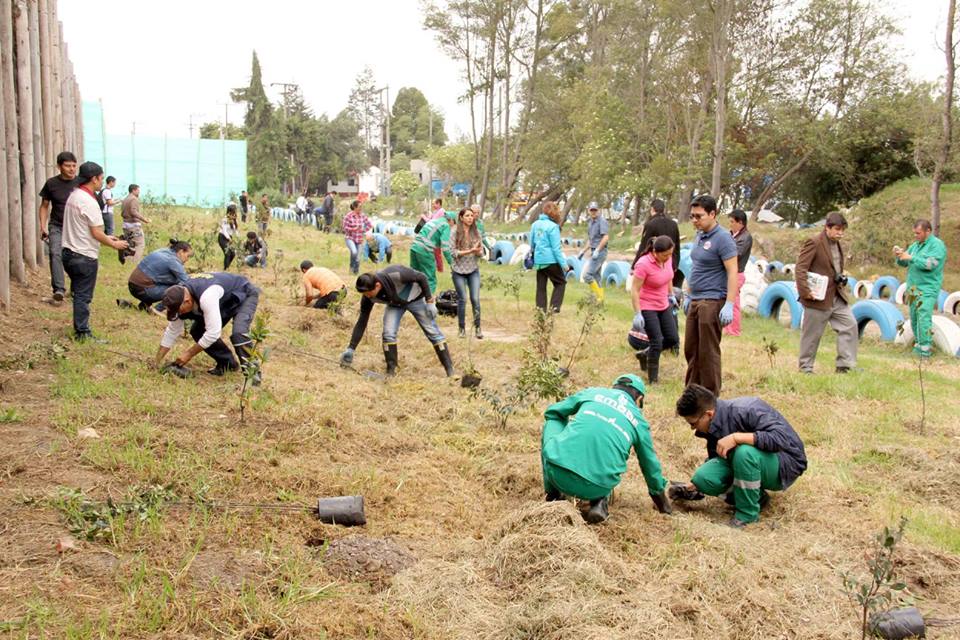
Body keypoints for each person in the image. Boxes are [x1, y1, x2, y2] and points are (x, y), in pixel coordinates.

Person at [670, 384, 807, 528]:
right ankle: (758, 498)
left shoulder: (747, 409)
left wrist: (737, 438)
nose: (693, 428)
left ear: (709, 414)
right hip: (753, 461)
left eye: (693, 423)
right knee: (703, 478)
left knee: (744, 453)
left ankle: (747, 515)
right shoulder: (712, 424)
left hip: (785, 462)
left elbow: (781, 439)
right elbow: (717, 459)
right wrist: (697, 486)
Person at [541, 374, 672, 524]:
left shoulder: (593, 392)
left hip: (557, 474)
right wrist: (663, 504)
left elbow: (553, 412)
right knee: (610, 450)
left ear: (614, 388)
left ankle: (552, 495)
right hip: (598, 487)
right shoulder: (639, 422)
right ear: (639, 399)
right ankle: (598, 501)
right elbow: (650, 465)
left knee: (553, 420)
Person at [339, 265, 455, 377]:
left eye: (368, 293)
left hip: (415, 299)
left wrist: (429, 301)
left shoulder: (396, 274)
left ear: (377, 285)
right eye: (364, 294)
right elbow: (362, 321)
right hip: (395, 305)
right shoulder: (367, 296)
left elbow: (421, 277)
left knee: (432, 332)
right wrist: (351, 348)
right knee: (388, 334)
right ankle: (391, 371)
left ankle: (449, 369)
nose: (367, 296)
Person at [60, 161, 129, 341]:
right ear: (94, 179)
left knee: (78, 294)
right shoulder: (89, 202)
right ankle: (82, 333)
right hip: (83, 256)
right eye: (101, 178)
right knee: (83, 296)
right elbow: (96, 233)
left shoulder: (74, 195)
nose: (102, 182)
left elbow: (85, 229)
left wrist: (109, 238)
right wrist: (115, 245)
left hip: (68, 252)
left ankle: (80, 328)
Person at [156, 272, 262, 382]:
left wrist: (188, 354)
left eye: (179, 311)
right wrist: (157, 361)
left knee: (239, 334)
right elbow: (172, 331)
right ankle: (228, 364)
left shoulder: (207, 297)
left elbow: (213, 333)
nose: (179, 314)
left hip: (243, 293)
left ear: (187, 301)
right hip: (224, 301)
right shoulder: (178, 297)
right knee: (198, 331)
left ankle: (253, 378)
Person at [684, 194, 738, 395]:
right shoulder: (699, 236)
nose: (695, 220)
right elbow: (696, 267)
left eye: (699, 216)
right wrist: (688, 294)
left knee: (708, 352)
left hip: (712, 301)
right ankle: (692, 392)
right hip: (696, 299)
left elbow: (733, 272)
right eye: (692, 216)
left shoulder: (723, 238)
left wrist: (729, 303)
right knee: (691, 349)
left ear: (713, 214)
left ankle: (710, 395)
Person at [794, 211, 857, 373]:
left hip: (836, 294)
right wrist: (805, 292)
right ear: (827, 227)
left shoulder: (837, 244)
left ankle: (844, 365)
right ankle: (805, 368)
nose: (840, 233)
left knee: (849, 325)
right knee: (812, 335)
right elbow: (800, 268)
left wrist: (841, 277)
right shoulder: (814, 242)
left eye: (842, 230)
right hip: (817, 297)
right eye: (837, 229)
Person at [895, 219, 948, 358]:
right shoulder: (915, 245)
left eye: (918, 233)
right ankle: (919, 345)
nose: (915, 235)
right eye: (914, 233)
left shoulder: (937, 245)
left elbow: (931, 264)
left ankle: (925, 350)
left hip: (928, 288)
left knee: (923, 315)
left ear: (928, 231)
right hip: (913, 288)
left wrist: (911, 258)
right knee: (914, 317)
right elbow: (904, 262)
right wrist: (900, 256)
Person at [631, 236, 679, 383]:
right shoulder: (643, 264)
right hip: (647, 306)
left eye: (670, 254)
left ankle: (645, 354)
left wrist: (671, 295)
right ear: (655, 252)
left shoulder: (667, 259)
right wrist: (638, 313)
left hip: (663, 303)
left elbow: (669, 277)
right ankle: (653, 379)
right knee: (656, 342)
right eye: (665, 255)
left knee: (672, 338)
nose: (668, 257)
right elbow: (634, 289)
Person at [38, 151, 79, 305]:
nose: (71, 169)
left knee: (74, 259)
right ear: (59, 166)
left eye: (74, 166)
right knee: (55, 253)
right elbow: (44, 206)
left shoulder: (81, 183)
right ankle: (59, 290)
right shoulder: (51, 184)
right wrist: (42, 226)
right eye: (68, 166)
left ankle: (75, 288)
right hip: (57, 225)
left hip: (76, 228)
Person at [126, 239, 192, 310]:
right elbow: (186, 282)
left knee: (176, 283)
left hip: (133, 285)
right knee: (180, 290)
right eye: (188, 256)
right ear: (181, 252)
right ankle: (157, 310)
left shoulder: (163, 251)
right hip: (142, 290)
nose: (187, 259)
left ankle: (144, 305)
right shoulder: (173, 261)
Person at [531, 201, 571, 312]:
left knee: (541, 287)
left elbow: (532, 244)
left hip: (539, 261)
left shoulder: (535, 224)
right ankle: (554, 307)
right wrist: (564, 265)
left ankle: (540, 311)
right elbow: (556, 249)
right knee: (560, 283)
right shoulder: (553, 227)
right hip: (551, 261)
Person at [450, 207, 484, 339]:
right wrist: (470, 251)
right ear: (461, 218)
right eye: (467, 216)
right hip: (458, 270)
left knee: (475, 299)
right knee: (462, 299)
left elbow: (481, 252)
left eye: (471, 216)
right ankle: (461, 328)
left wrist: (478, 252)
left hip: (473, 269)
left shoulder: (477, 232)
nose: (470, 218)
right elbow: (453, 253)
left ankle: (478, 328)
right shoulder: (454, 231)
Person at [723, 209, 753, 337]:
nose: (730, 225)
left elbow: (737, 254)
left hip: (737, 273)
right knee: (727, 300)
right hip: (728, 272)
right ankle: (727, 328)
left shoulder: (745, 238)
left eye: (732, 222)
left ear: (740, 222)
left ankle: (734, 330)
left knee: (733, 302)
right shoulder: (732, 235)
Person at [410, 210, 455, 295]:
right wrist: (452, 262)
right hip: (425, 249)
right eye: (454, 224)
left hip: (414, 247)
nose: (452, 226)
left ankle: (411, 298)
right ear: (451, 220)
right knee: (429, 279)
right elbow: (445, 247)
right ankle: (428, 300)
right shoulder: (445, 225)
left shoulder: (433, 221)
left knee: (414, 276)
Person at [641, 198, 682, 289]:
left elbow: (644, 246)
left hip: (655, 263)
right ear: (664, 209)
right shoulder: (673, 224)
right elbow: (677, 246)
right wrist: (676, 263)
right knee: (668, 288)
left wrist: (634, 265)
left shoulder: (651, 224)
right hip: (671, 262)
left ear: (652, 209)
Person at [582, 202, 610, 302]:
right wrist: (583, 251)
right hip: (594, 251)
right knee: (596, 277)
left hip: (600, 251)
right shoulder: (590, 222)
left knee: (587, 276)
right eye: (591, 210)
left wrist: (597, 250)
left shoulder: (602, 221)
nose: (593, 212)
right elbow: (591, 240)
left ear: (598, 210)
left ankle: (599, 298)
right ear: (588, 211)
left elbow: (605, 237)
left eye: (595, 210)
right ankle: (599, 301)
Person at [119, 183, 150, 265]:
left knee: (131, 244)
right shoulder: (134, 199)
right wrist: (144, 219)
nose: (139, 192)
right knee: (140, 244)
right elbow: (133, 211)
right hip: (134, 225)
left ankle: (128, 261)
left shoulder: (125, 199)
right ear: (133, 190)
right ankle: (135, 262)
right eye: (138, 190)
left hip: (126, 224)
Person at [342, 199, 373, 275]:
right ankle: (351, 268)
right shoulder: (348, 216)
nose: (361, 208)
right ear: (355, 207)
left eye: (361, 207)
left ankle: (355, 273)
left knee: (358, 258)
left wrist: (363, 230)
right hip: (350, 238)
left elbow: (369, 225)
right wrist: (354, 229)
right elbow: (345, 228)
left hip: (359, 239)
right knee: (354, 252)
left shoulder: (363, 216)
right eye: (359, 207)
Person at [219, 205, 239, 269]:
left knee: (233, 254)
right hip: (222, 237)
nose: (234, 214)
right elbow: (224, 230)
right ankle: (226, 268)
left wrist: (239, 238)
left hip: (230, 238)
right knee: (227, 253)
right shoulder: (225, 219)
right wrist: (229, 238)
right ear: (229, 212)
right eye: (233, 212)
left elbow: (235, 230)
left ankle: (227, 267)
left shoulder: (234, 219)